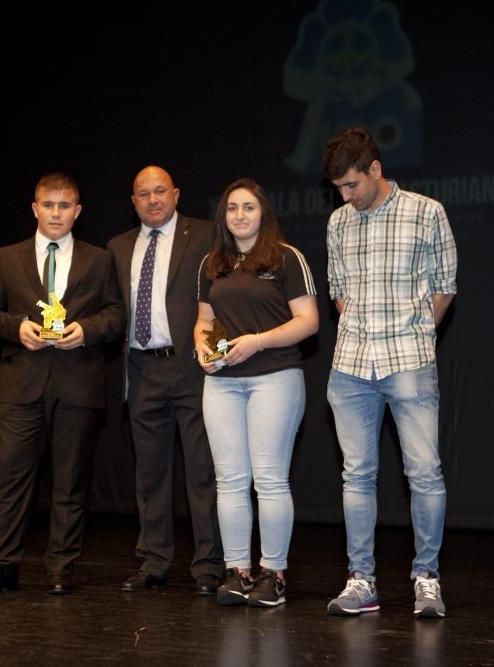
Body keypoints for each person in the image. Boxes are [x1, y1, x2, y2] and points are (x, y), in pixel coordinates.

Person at [322, 127, 457, 618]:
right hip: (351, 365)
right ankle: (362, 581)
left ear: (375, 171)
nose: (345, 195)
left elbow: (445, 286)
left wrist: (417, 333)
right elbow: (337, 289)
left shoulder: (426, 212)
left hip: (408, 361)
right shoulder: (339, 222)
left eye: (351, 185)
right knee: (356, 475)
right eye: (338, 188)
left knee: (424, 472)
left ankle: (427, 578)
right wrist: (359, 328)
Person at [0, 172, 123, 596]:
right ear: (35, 209)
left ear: (78, 212)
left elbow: (115, 315)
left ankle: (60, 568)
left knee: (70, 481)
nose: (56, 213)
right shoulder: (6, 256)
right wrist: (16, 328)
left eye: (64, 206)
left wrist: (85, 331)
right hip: (20, 383)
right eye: (48, 205)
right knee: (11, 477)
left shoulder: (99, 258)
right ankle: (3, 566)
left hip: (78, 382)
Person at [193, 177, 318, 607]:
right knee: (229, 482)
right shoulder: (213, 262)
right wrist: (201, 347)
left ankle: (274, 574)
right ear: (223, 216)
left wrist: (258, 340)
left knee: (268, 479)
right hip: (222, 383)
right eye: (232, 208)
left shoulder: (286, 258)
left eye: (248, 207)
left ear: (262, 212)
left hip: (275, 378)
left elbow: (308, 321)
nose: (240, 215)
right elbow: (204, 320)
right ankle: (237, 571)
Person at [107, 166, 223, 596]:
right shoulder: (118, 247)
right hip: (140, 368)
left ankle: (209, 565)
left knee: (201, 471)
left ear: (176, 194)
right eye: (143, 194)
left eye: (160, 191)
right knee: (149, 474)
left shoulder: (207, 234)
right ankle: (154, 561)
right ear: (133, 201)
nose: (153, 199)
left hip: (190, 365)